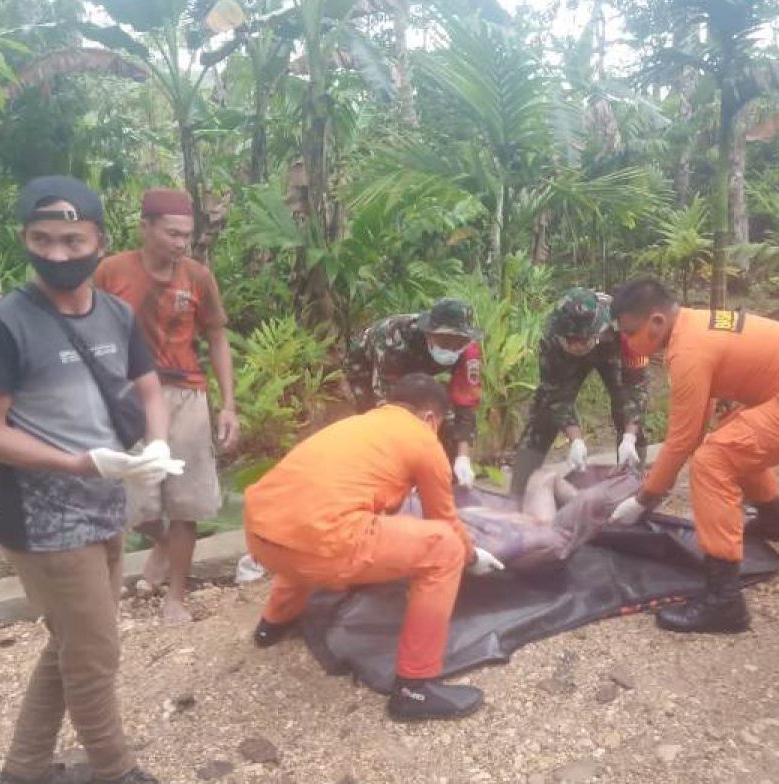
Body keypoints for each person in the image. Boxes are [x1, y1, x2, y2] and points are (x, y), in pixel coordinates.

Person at [0, 176, 178, 784]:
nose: (57, 254)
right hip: (44, 518)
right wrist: (79, 463)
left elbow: (149, 386)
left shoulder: (115, 313)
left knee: (70, 645)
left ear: (99, 240)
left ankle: (23, 770)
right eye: (42, 239)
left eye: (71, 239)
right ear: (25, 239)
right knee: (95, 654)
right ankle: (115, 771)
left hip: (107, 503)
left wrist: (156, 441)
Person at [244, 373, 505, 721]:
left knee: (315, 524)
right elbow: (445, 521)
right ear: (430, 418)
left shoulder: (359, 425)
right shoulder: (423, 440)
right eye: (439, 425)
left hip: (260, 533)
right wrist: (471, 555)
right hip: (321, 545)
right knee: (445, 549)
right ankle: (415, 687)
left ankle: (272, 625)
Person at [609, 277, 779, 634]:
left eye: (631, 333)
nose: (628, 343)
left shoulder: (688, 351)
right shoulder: (694, 327)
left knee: (714, 459)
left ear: (657, 322)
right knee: (729, 440)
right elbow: (695, 423)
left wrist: (643, 499)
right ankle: (775, 521)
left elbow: (682, 441)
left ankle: (725, 600)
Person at [94, 189, 240, 624]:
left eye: (187, 235)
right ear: (145, 227)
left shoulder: (197, 277)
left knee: (186, 502)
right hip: (129, 396)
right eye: (172, 234)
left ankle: (176, 596)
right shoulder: (111, 272)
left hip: (185, 393)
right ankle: (158, 542)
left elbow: (216, 336)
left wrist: (228, 404)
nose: (181, 243)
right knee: (135, 504)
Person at [509, 287, 648, 496]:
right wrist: (576, 440)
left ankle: (630, 491)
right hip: (565, 363)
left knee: (630, 418)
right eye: (571, 340)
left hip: (611, 350)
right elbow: (556, 393)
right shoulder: (551, 337)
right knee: (544, 412)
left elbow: (634, 389)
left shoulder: (626, 328)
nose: (577, 347)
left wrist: (630, 438)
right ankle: (519, 492)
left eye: (583, 341)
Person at [343, 299, 482, 486]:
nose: (452, 348)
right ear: (428, 334)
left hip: (422, 372)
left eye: (458, 343)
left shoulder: (467, 351)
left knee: (444, 427)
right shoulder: (393, 338)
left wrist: (463, 458)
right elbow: (388, 405)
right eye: (445, 341)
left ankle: (441, 484)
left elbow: (465, 403)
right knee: (374, 425)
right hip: (366, 370)